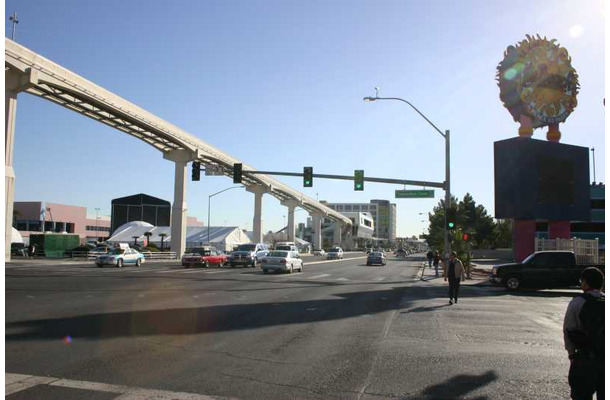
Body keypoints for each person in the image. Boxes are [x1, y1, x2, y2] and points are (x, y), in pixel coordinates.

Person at [563, 267, 604, 400]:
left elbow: (568, 330)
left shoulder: (577, 302)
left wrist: (571, 355)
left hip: (585, 358)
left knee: (581, 395)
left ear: (585, 283)